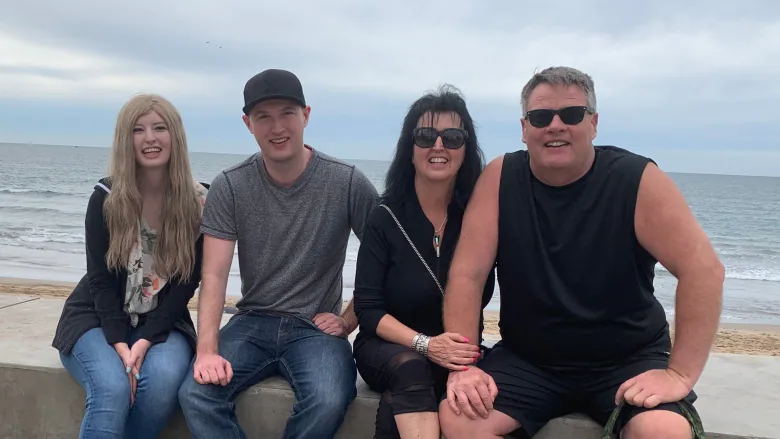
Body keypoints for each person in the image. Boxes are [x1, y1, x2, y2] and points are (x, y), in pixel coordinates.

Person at [437, 66, 725, 439]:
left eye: (571, 114)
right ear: (525, 129)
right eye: (541, 117)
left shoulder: (636, 179)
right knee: (460, 418)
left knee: (663, 431)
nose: (555, 126)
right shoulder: (500, 177)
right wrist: (465, 366)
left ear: (593, 123)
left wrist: (680, 374)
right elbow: (467, 275)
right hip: (529, 360)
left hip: (628, 358)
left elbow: (703, 270)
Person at [177, 68, 379, 439]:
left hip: (315, 328)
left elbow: (385, 258)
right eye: (263, 117)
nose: (277, 127)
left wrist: (348, 319)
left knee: (330, 397)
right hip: (251, 321)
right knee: (196, 393)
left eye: (287, 112)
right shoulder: (230, 185)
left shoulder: (346, 181)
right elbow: (215, 274)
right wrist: (206, 351)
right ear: (247, 124)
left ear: (306, 115)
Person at [51, 93, 208, 439]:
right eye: (138, 129)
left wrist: (145, 341)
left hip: (165, 320)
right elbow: (100, 280)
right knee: (112, 387)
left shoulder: (200, 203)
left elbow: (186, 286)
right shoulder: (106, 198)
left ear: (175, 136)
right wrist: (121, 344)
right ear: (126, 139)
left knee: (163, 382)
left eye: (159, 127)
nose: (150, 138)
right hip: (96, 316)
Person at [352, 85, 496, 439]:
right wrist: (426, 344)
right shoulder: (384, 216)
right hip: (389, 347)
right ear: (410, 147)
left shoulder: (478, 218)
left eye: (453, 137)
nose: (438, 146)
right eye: (426, 135)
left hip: (458, 352)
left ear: (466, 149)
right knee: (411, 369)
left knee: (493, 389)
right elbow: (368, 309)